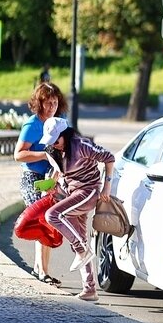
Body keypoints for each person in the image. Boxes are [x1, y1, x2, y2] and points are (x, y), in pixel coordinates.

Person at [30, 117, 115, 302]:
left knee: (53, 215)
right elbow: (58, 171)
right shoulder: (52, 149)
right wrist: (51, 184)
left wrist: (107, 187)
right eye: (51, 141)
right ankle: (90, 289)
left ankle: (82, 249)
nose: (55, 145)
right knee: (79, 235)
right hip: (70, 193)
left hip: (88, 192)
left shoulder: (81, 145)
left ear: (65, 135)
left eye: (57, 140)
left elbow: (109, 158)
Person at [13, 82, 68, 285]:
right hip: (32, 180)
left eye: (55, 103)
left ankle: (40, 268)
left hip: (51, 179)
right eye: (48, 103)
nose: (52, 107)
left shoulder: (60, 121)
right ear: (39, 103)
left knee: (49, 219)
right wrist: (44, 155)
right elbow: (18, 155)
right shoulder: (33, 125)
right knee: (42, 218)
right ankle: (42, 271)